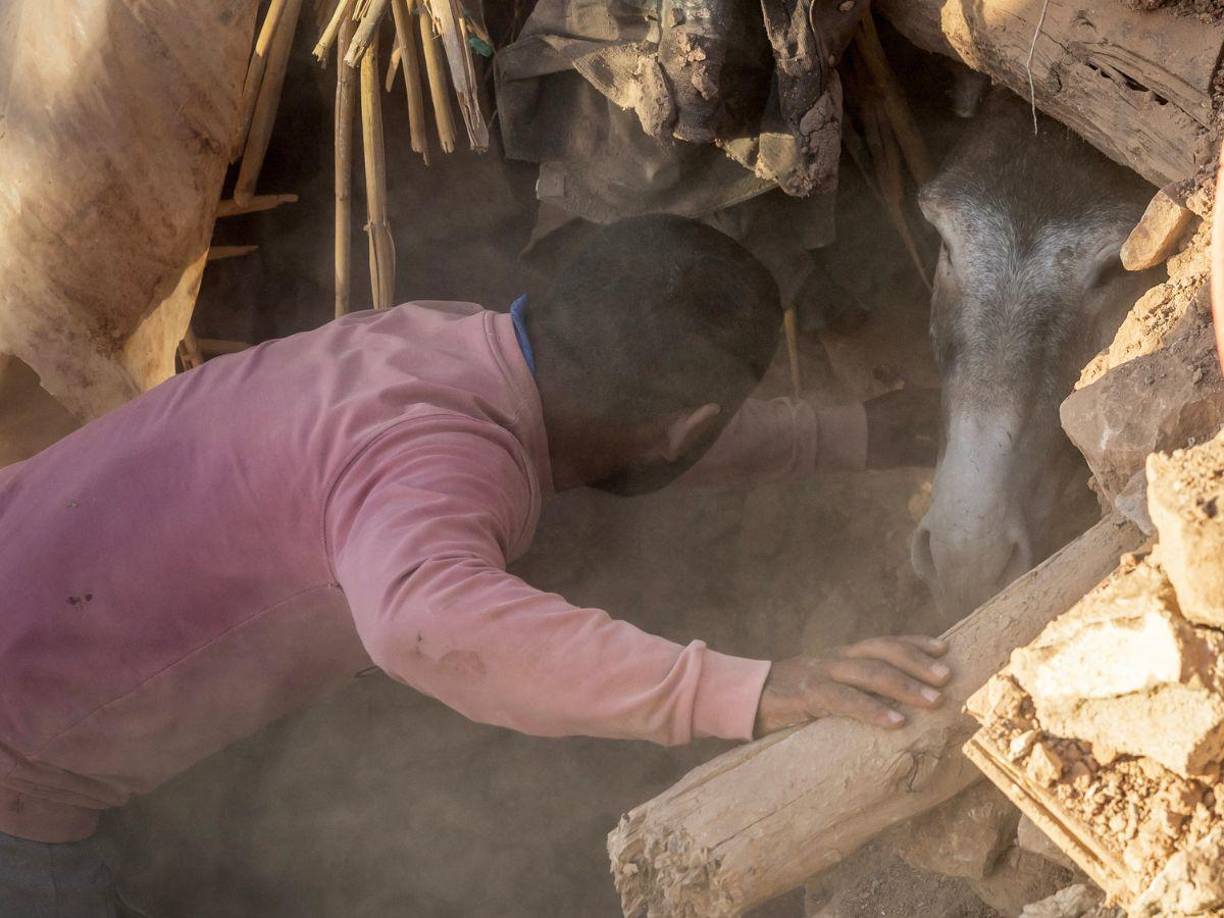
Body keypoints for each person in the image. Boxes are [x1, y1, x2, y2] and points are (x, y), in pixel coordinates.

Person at [0, 215, 948, 915]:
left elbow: (634, 429)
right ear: (686, 428)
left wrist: (850, 434)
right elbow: (425, 622)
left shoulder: (440, 343)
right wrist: (758, 690)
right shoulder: (440, 462)